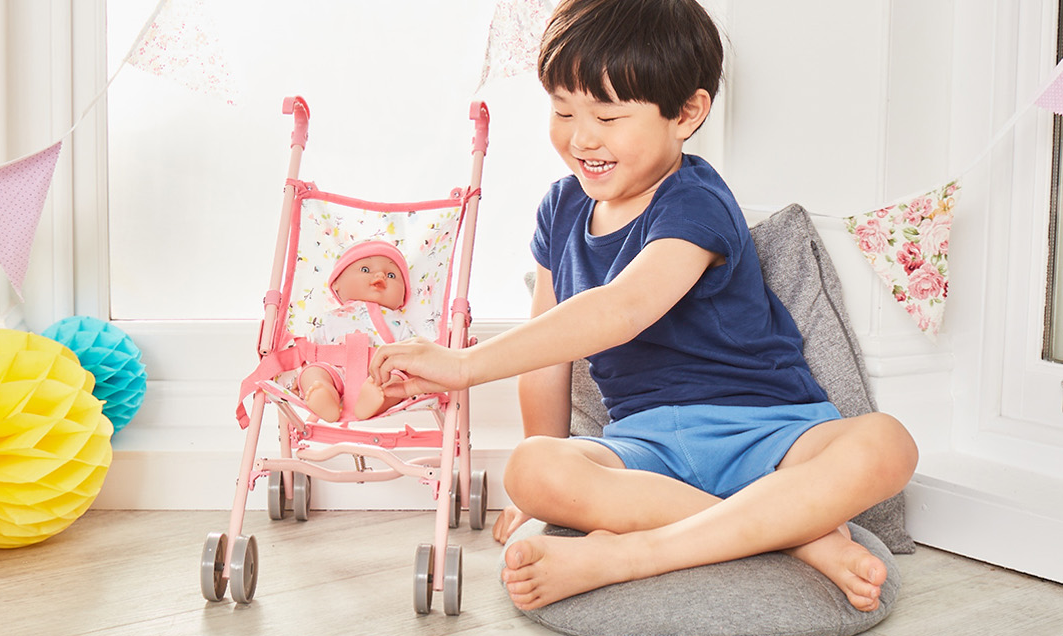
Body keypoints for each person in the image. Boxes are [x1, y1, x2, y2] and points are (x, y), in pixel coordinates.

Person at [369, 0, 918, 613]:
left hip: (769, 435)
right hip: (646, 452)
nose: (581, 137)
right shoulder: (561, 210)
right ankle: (796, 538)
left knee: (887, 445)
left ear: (686, 113)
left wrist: (464, 364)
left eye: (607, 114)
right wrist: (536, 490)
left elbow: (622, 308)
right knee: (531, 467)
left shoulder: (696, 201)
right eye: (563, 110)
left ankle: (635, 554)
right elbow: (548, 358)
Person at [296, 240, 422, 422]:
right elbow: (311, 352)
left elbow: (414, 354)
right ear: (337, 284)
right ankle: (324, 395)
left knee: (399, 383)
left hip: (380, 376)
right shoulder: (328, 318)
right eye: (365, 270)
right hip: (335, 371)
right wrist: (299, 377)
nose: (380, 275)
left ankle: (375, 401)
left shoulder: (399, 323)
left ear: (403, 295)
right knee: (312, 372)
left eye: (392, 275)